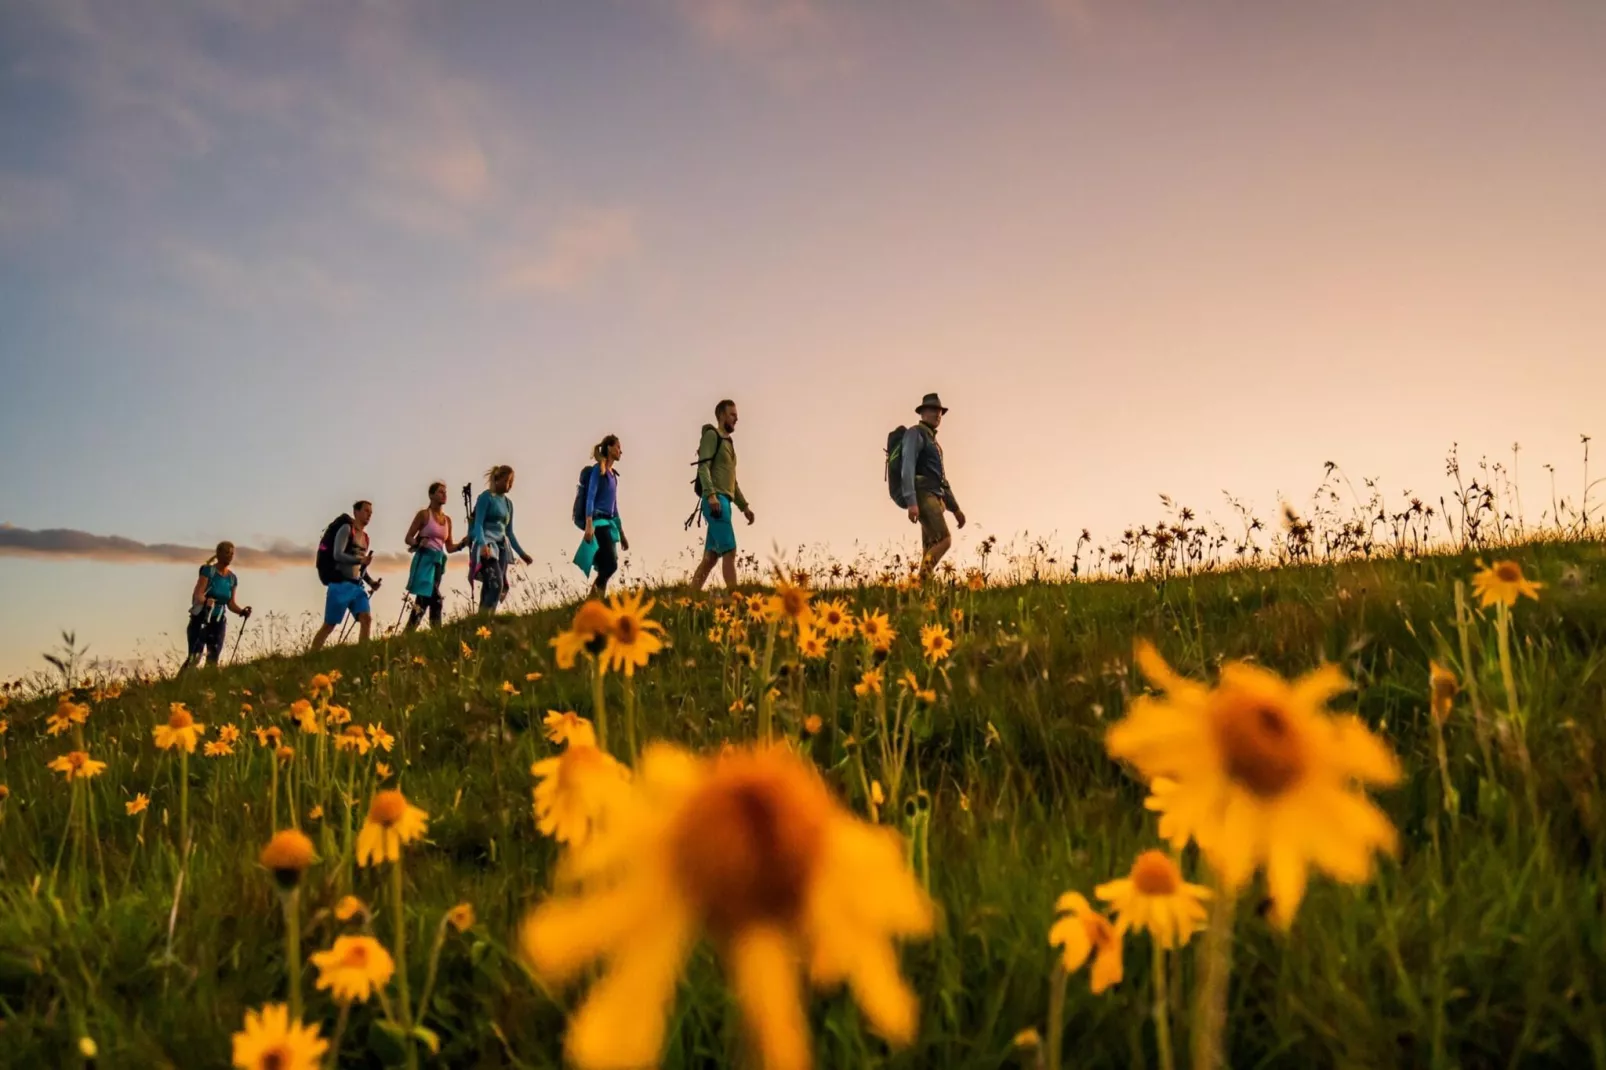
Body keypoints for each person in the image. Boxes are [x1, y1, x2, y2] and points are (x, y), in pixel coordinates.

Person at [689, 399, 755, 592]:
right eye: (732, 414)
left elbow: (732, 482)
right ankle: (735, 597)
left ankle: (691, 596)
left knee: (710, 558)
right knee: (730, 549)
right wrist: (710, 496)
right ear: (721, 415)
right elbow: (703, 467)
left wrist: (745, 507)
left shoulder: (729, 444)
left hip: (724, 500)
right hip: (716, 501)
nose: (737, 418)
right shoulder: (712, 435)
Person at [899, 392, 967, 579]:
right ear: (922, 413)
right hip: (923, 494)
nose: (937, 414)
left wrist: (955, 509)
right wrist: (911, 501)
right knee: (944, 539)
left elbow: (942, 480)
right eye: (932, 410)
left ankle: (920, 592)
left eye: (939, 411)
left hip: (934, 495)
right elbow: (907, 466)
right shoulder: (915, 433)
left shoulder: (934, 443)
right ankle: (920, 581)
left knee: (930, 546)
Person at [311, 501, 378, 650]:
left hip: (357, 586)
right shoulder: (346, 529)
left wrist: (371, 582)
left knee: (366, 619)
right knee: (329, 625)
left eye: (371, 513)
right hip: (339, 583)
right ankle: (311, 655)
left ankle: (364, 653)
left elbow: (359, 567)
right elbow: (337, 554)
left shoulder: (366, 538)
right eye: (366, 511)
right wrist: (361, 560)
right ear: (356, 512)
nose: (369, 515)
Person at [403, 482, 467, 631]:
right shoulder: (424, 515)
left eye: (445, 492)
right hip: (424, 560)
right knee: (435, 598)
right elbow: (408, 538)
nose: (444, 494)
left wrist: (463, 544)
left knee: (423, 600)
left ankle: (408, 634)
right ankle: (437, 633)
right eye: (440, 492)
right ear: (431, 495)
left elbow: (449, 547)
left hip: (438, 562)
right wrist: (419, 542)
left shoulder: (447, 520)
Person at [180, 541, 251, 672]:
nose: (230, 556)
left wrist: (242, 612)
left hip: (218, 621)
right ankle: (180, 684)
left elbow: (230, 603)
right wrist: (206, 600)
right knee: (194, 657)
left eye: (232, 553)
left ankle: (208, 686)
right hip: (201, 618)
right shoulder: (208, 571)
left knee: (213, 657)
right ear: (218, 554)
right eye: (227, 553)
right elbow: (198, 594)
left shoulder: (232, 578)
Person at [470, 465, 533, 613]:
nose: (509, 485)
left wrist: (522, 554)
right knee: (495, 584)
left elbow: (509, 532)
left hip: (503, 548)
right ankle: (486, 620)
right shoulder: (486, 497)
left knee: (490, 586)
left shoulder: (508, 504)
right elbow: (478, 523)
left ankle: (482, 621)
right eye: (507, 481)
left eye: (511, 481)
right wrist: (482, 544)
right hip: (487, 546)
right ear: (497, 480)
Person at [578, 435, 630, 598]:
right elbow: (590, 497)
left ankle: (596, 603)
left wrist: (622, 534)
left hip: (610, 524)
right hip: (598, 523)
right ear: (609, 448)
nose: (621, 451)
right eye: (618, 447)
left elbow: (615, 507)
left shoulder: (614, 476)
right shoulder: (597, 470)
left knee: (605, 566)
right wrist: (588, 524)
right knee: (610, 565)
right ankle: (592, 602)